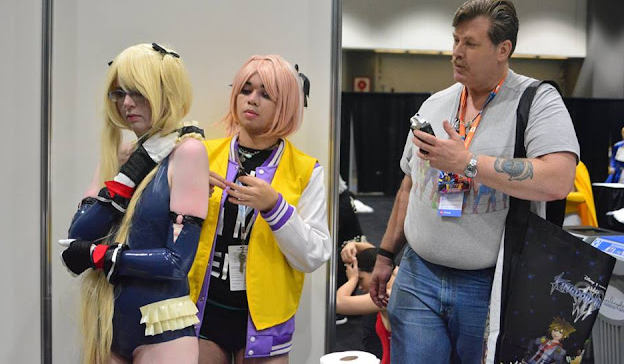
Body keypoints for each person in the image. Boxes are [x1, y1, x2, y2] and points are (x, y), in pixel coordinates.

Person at [369, 0, 580, 363]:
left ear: (503, 49)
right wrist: (386, 256)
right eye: (455, 40)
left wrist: (466, 163)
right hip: (418, 275)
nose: (456, 52)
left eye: (470, 43)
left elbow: (559, 180)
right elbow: (409, 185)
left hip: (491, 285)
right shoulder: (435, 103)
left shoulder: (537, 101)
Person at [60, 43, 209, 364]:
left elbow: (176, 261)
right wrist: (128, 173)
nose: (127, 103)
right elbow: (77, 239)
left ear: (166, 92)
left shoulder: (188, 152)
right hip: (110, 323)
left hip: (163, 329)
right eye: (120, 93)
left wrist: (102, 255)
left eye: (138, 92)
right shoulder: (122, 156)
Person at [187, 55, 332, 363]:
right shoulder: (200, 155)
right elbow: (165, 233)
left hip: (266, 324)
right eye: (246, 89)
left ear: (287, 105)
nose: (252, 99)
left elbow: (315, 253)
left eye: (266, 94)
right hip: (200, 313)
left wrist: (276, 208)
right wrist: (186, 197)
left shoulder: (306, 170)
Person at [337, 243, 395, 364]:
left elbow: (338, 303)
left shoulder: (388, 297)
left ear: (376, 270)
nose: (360, 287)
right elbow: (378, 254)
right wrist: (354, 244)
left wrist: (353, 279)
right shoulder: (399, 277)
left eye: (361, 279)